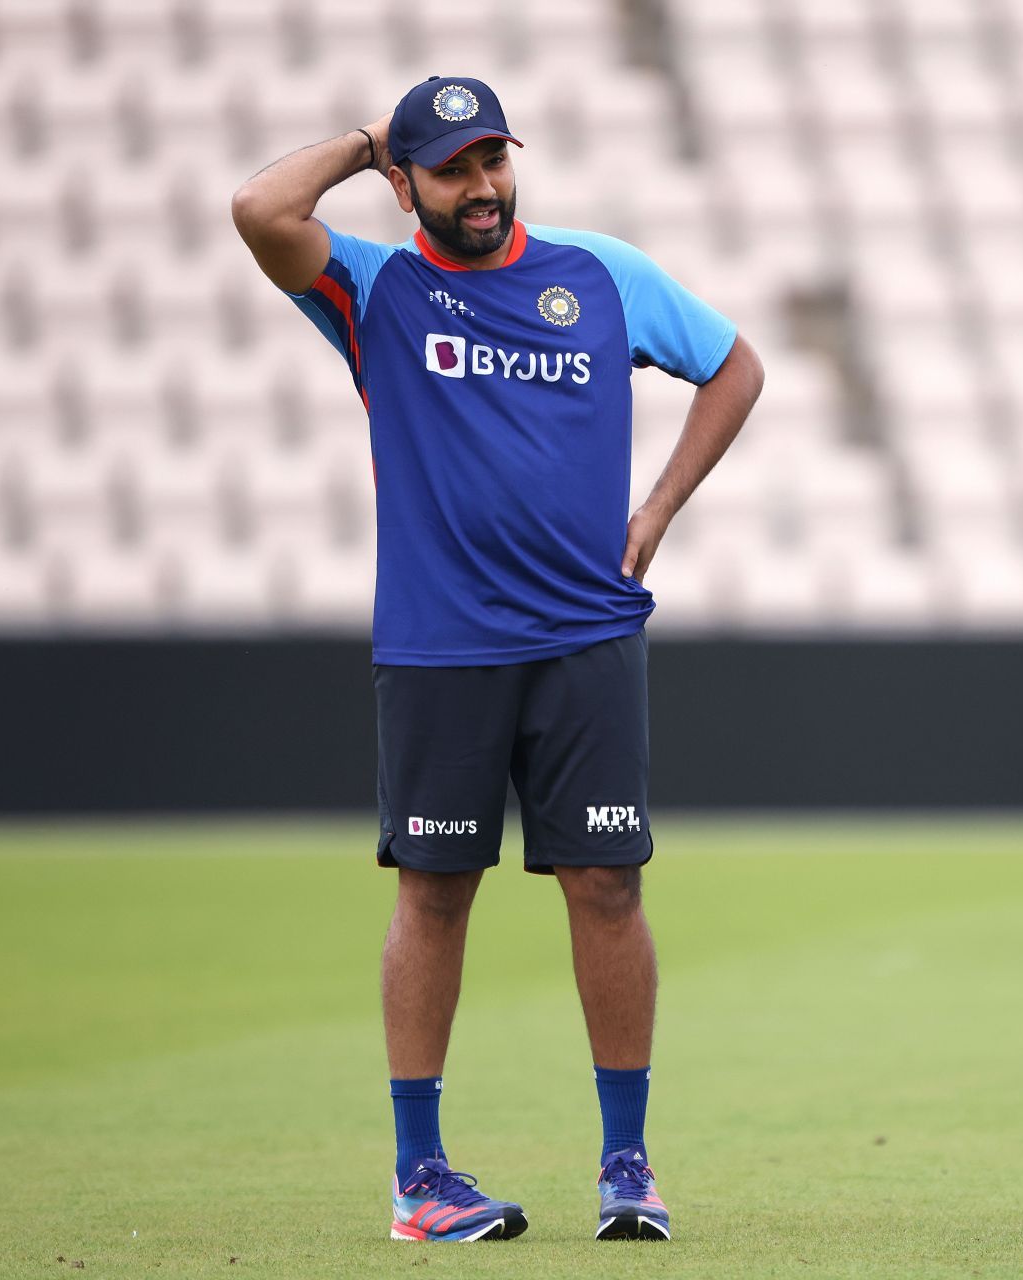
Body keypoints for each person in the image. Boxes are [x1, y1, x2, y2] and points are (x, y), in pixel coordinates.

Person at [231, 74, 764, 1244]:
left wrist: (659, 508)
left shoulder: (600, 274)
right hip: (439, 646)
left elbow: (736, 366)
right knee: (433, 893)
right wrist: (367, 140)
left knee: (609, 886)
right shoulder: (376, 287)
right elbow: (260, 210)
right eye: (455, 166)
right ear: (408, 180)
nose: (483, 185)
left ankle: (628, 1166)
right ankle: (420, 1178)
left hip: (586, 635)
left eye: (495, 160)